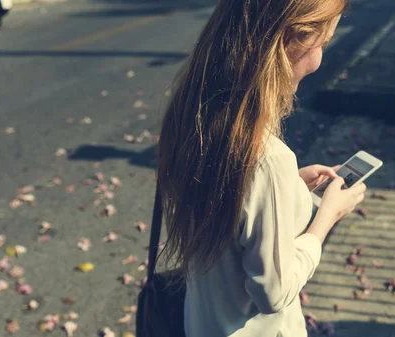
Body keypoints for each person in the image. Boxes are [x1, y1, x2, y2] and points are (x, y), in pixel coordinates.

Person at [155, 0, 366, 336]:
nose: (320, 57)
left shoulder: (191, 117)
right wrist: (328, 217)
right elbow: (273, 292)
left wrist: (292, 189)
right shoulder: (269, 159)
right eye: (323, 43)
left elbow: (230, 211)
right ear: (290, 40)